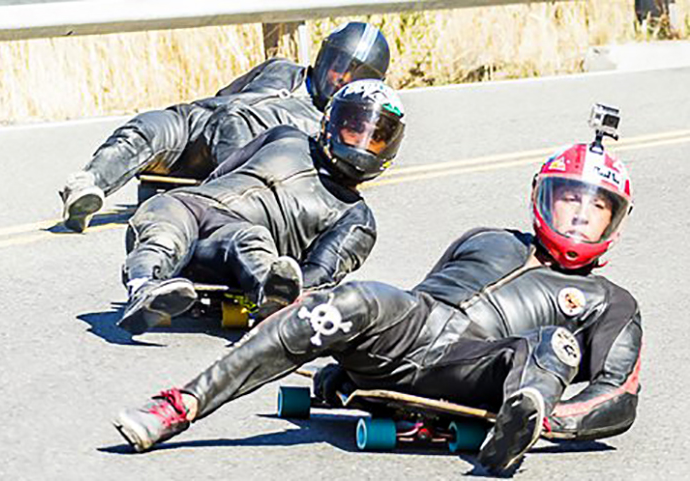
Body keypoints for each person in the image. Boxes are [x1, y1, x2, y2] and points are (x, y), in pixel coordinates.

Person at [112, 139, 640, 475]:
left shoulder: (611, 302)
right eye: (569, 198)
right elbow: (422, 294)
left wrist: (554, 421)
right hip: (416, 327)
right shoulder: (487, 238)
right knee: (361, 295)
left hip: (486, 366)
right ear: (543, 199)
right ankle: (179, 406)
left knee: (555, 343)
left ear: (613, 222)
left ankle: (516, 429)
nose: (578, 215)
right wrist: (343, 358)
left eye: (596, 206)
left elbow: (617, 396)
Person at [117, 79, 406, 336]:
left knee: (251, 238)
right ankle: (144, 288)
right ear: (331, 121)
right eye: (353, 127)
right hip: (192, 207)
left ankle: (273, 297)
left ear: (390, 147)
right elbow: (221, 173)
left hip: (232, 245)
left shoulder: (356, 218)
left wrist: (298, 292)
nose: (361, 140)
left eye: (376, 137)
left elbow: (320, 273)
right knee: (166, 211)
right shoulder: (285, 136)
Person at [59, 22, 390, 233]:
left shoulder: (331, 122)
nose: (341, 77)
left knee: (235, 145)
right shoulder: (279, 67)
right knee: (147, 128)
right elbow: (225, 96)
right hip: (199, 122)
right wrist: (205, 116)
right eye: (338, 66)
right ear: (324, 57)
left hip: (241, 153)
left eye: (355, 75)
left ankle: (202, 215)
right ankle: (87, 186)